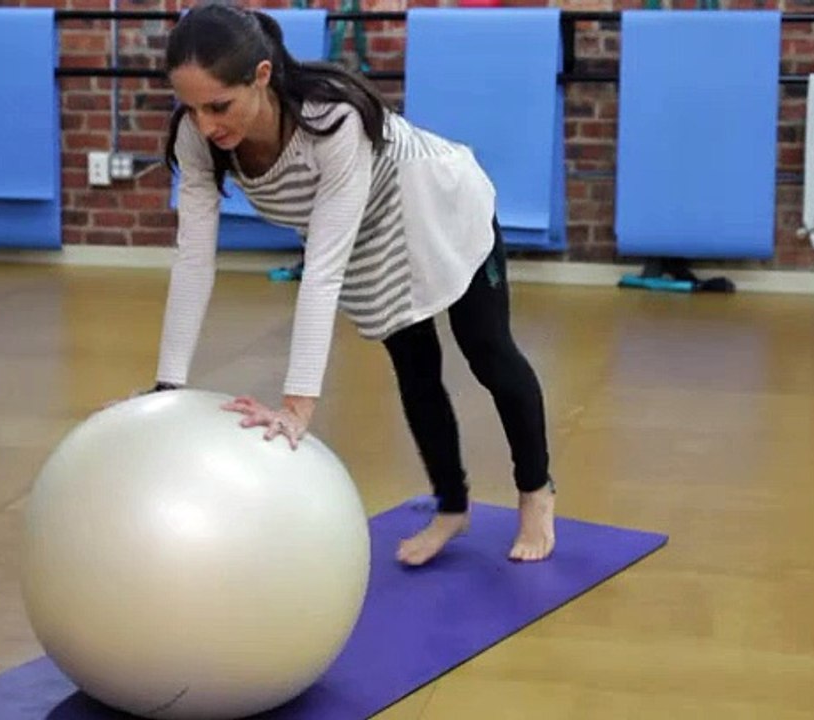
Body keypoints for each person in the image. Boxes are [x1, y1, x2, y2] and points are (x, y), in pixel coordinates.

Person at [144, 1, 556, 564]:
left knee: (488, 352)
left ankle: (536, 495)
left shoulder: (330, 121)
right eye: (190, 109)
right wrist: (167, 389)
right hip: (367, 233)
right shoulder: (197, 139)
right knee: (414, 368)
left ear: (261, 77)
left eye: (219, 106)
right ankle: (453, 508)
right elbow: (193, 258)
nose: (206, 125)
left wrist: (296, 409)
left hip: (436, 204)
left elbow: (322, 269)